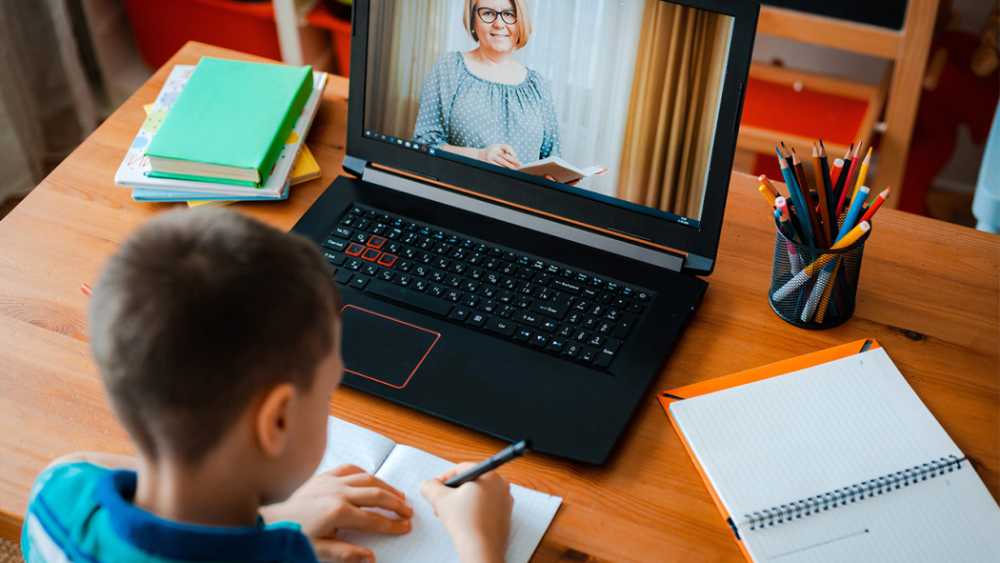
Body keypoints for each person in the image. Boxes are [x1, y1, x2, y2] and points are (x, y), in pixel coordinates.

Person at [20, 208, 514, 563]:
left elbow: (77, 464)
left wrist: (277, 515)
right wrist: (481, 544)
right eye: (328, 392)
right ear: (276, 420)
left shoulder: (58, 496)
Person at [414, 0, 558, 171]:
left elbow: (551, 157)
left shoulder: (538, 85)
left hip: (521, 197)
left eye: (509, 14)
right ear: (473, 20)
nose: (499, 23)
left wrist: (559, 176)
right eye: (488, 13)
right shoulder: (450, 68)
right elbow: (423, 145)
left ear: (521, 21)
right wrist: (479, 156)